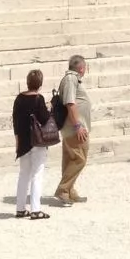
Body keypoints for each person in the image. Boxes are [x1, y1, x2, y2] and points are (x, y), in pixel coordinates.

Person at [12, 68, 52, 219]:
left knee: (23, 175)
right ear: (40, 84)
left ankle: (20, 208)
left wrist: (17, 141)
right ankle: (35, 209)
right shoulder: (38, 99)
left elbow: (15, 121)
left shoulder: (19, 99)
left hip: (23, 141)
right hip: (37, 141)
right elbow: (45, 119)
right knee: (37, 174)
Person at [55, 54, 90, 207]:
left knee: (71, 159)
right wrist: (77, 125)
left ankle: (69, 190)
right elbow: (70, 103)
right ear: (82, 68)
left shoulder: (73, 78)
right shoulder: (71, 79)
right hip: (74, 128)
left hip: (75, 127)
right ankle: (63, 189)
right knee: (79, 159)